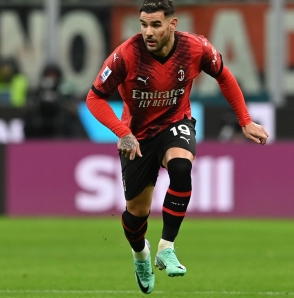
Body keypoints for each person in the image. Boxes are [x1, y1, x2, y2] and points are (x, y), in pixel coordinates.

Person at [86, 0, 269, 294]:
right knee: (137, 214)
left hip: (175, 123)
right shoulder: (125, 55)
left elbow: (224, 76)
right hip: (138, 136)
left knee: (182, 167)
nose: (148, 31)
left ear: (173, 24)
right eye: (143, 24)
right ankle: (141, 255)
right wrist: (123, 133)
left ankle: (166, 247)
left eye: (155, 24)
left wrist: (245, 121)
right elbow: (94, 98)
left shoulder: (196, 48)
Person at [24, 63, 82, 139]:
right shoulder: (37, 90)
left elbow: (73, 107)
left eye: (54, 75)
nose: (51, 78)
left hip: (60, 119)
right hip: (40, 119)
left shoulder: (65, 90)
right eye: (48, 75)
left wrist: (62, 103)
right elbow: (29, 106)